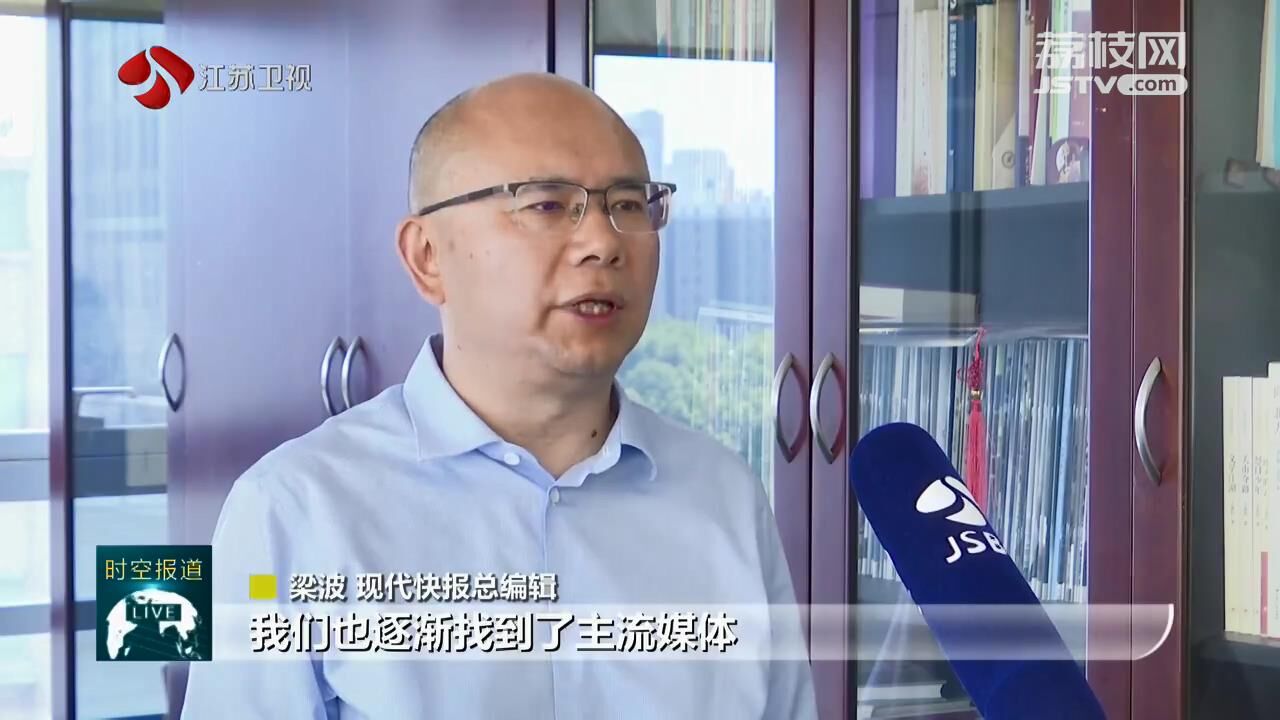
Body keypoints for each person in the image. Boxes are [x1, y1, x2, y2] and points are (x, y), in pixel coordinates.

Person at [182, 72, 817, 719]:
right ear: (427, 256)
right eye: (546, 205)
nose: (604, 243)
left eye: (629, 205)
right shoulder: (295, 511)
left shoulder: (722, 497)